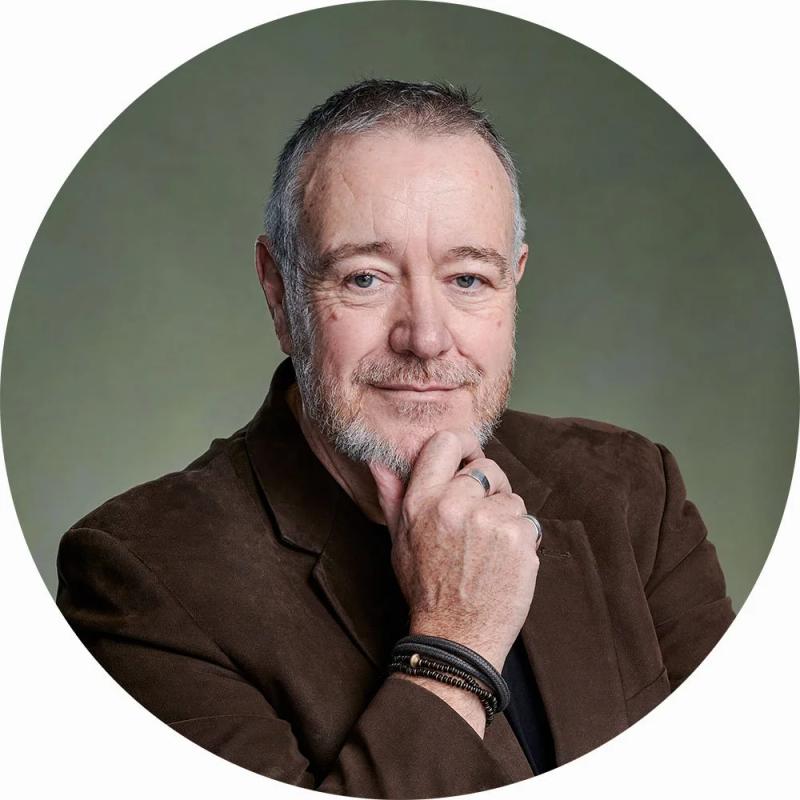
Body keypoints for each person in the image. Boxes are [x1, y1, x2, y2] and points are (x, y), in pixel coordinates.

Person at [56, 80, 734, 798]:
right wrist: (455, 643)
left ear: (515, 286)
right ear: (280, 295)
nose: (427, 338)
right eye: (366, 277)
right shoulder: (141, 576)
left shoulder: (631, 490)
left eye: (468, 278)